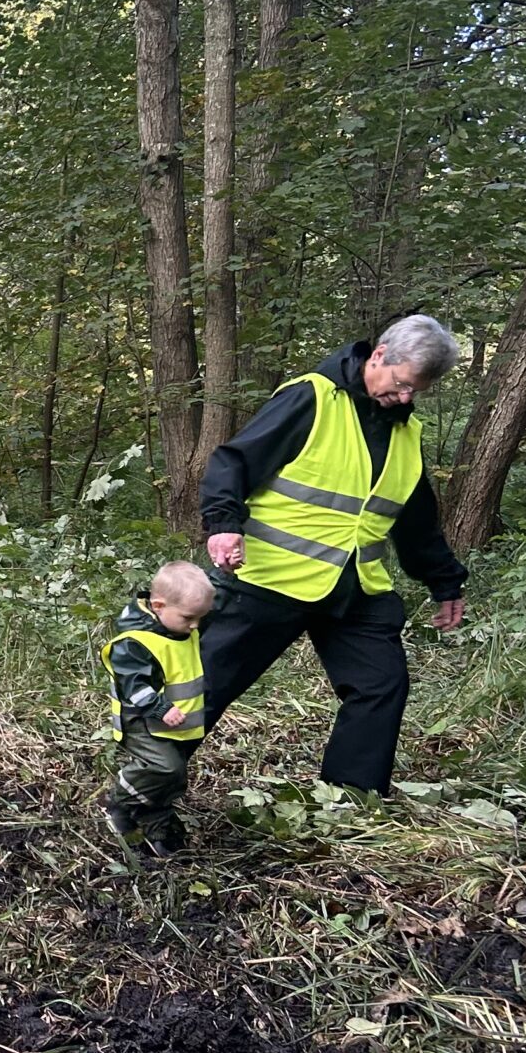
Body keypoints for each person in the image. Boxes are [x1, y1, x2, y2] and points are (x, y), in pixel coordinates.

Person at [198, 313, 469, 792]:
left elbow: (415, 518)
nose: (406, 397)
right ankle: (140, 791)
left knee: (380, 686)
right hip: (269, 579)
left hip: (355, 590)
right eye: (403, 384)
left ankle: (350, 804)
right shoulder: (311, 397)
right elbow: (234, 460)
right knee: (204, 687)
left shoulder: (406, 433)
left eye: (416, 391)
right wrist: (222, 523)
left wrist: (444, 581)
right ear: (380, 355)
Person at [101, 561, 217, 854]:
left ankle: (156, 825)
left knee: (175, 778)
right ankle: (119, 801)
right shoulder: (134, 643)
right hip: (142, 721)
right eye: (189, 618)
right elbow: (133, 684)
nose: (195, 626)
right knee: (164, 768)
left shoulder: (176, 627)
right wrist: (159, 707)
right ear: (159, 605)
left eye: (200, 618)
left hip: (176, 723)